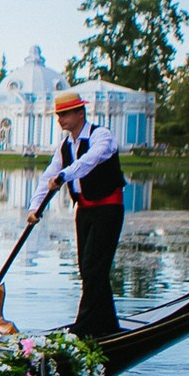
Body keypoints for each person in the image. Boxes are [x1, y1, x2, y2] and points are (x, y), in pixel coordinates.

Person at [26, 90, 124, 337]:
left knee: (94, 266)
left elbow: (90, 161)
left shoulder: (102, 136)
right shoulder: (65, 146)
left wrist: (65, 176)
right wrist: (34, 208)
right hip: (84, 211)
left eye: (65, 114)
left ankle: (84, 326)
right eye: (58, 115)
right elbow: (49, 175)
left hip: (108, 209)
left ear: (81, 113)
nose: (60, 119)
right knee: (87, 268)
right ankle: (107, 325)